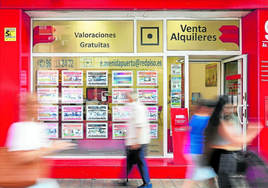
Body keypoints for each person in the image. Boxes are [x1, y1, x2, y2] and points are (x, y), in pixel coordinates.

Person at [5, 92, 76, 188]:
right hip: (25, 182)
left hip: (38, 180)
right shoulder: (18, 128)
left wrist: (53, 146)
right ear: (25, 106)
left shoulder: (39, 127)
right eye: (33, 103)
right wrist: (50, 148)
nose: (37, 106)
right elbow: (20, 157)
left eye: (38, 103)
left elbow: (41, 153)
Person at [204, 95, 261, 188]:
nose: (230, 110)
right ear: (221, 107)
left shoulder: (225, 120)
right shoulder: (219, 122)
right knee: (226, 183)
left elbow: (235, 138)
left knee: (226, 182)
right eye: (227, 107)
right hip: (223, 157)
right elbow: (233, 140)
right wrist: (251, 133)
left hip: (224, 157)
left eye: (233, 107)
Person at [181, 99, 217, 188]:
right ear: (205, 108)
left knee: (209, 176)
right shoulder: (208, 120)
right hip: (201, 152)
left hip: (191, 151)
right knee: (192, 178)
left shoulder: (193, 118)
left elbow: (188, 130)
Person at [124, 91, 152, 188]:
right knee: (131, 159)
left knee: (140, 162)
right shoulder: (135, 107)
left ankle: (147, 183)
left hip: (139, 141)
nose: (127, 100)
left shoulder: (138, 108)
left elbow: (140, 126)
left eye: (128, 98)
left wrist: (136, 141)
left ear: (132, 98)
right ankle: (125, 178)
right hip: (135, 141)